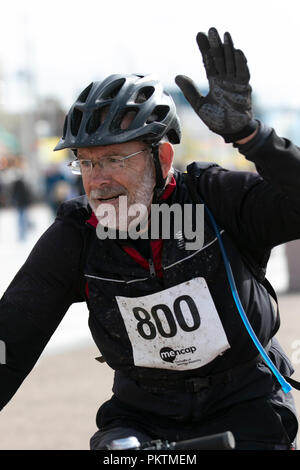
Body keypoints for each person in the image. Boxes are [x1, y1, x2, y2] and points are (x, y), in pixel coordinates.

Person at [0, 27, 299, 451]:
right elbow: (9, 339)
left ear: (161, 158)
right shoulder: (77, 236)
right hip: (141, 416)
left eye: (114, 159)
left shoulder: (215, 197)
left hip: (247, 404)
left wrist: (253, 137)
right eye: (85, 163)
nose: (97, 181)